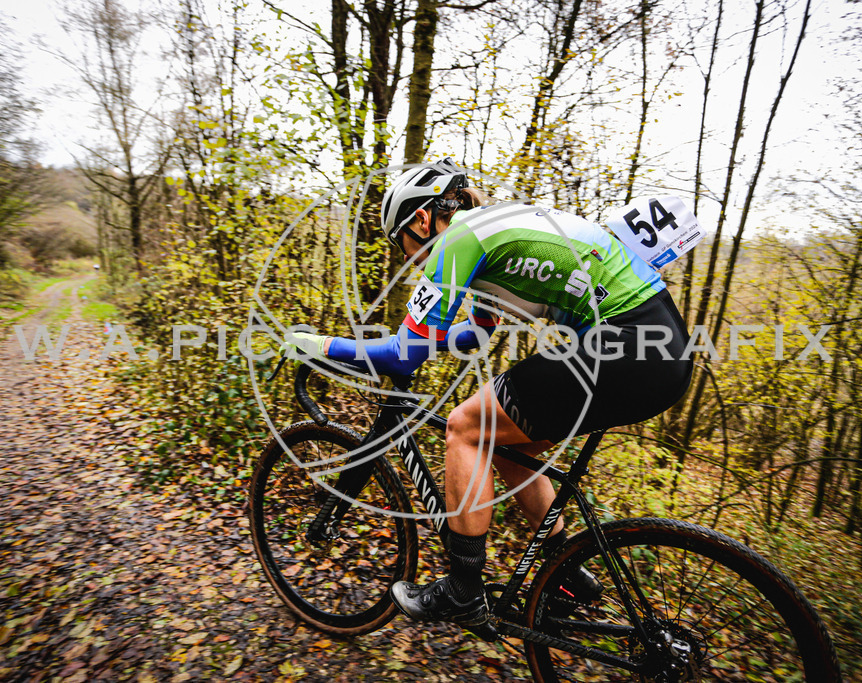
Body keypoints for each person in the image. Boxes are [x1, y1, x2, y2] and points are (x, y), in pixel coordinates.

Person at [284, 159, 693, 634]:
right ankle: (567, 575)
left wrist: (319, 346)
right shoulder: (490, 235)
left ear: (420, 220)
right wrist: (405, 343)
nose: (407, 260)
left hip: (627, 343)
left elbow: (401, 357)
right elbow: (473, 336)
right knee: (509, 449)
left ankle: (461, 591)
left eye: (404, 246)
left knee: (464, 427)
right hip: (658, 348)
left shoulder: (461, 239)